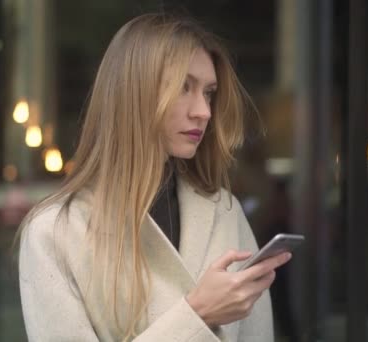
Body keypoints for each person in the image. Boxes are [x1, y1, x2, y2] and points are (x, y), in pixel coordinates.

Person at [15, 13, 291, 341]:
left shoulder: (224, 213)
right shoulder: (54, 232)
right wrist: (198, 314)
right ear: (134, 92)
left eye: (208, 92)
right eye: (183, 87)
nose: (203, 110)